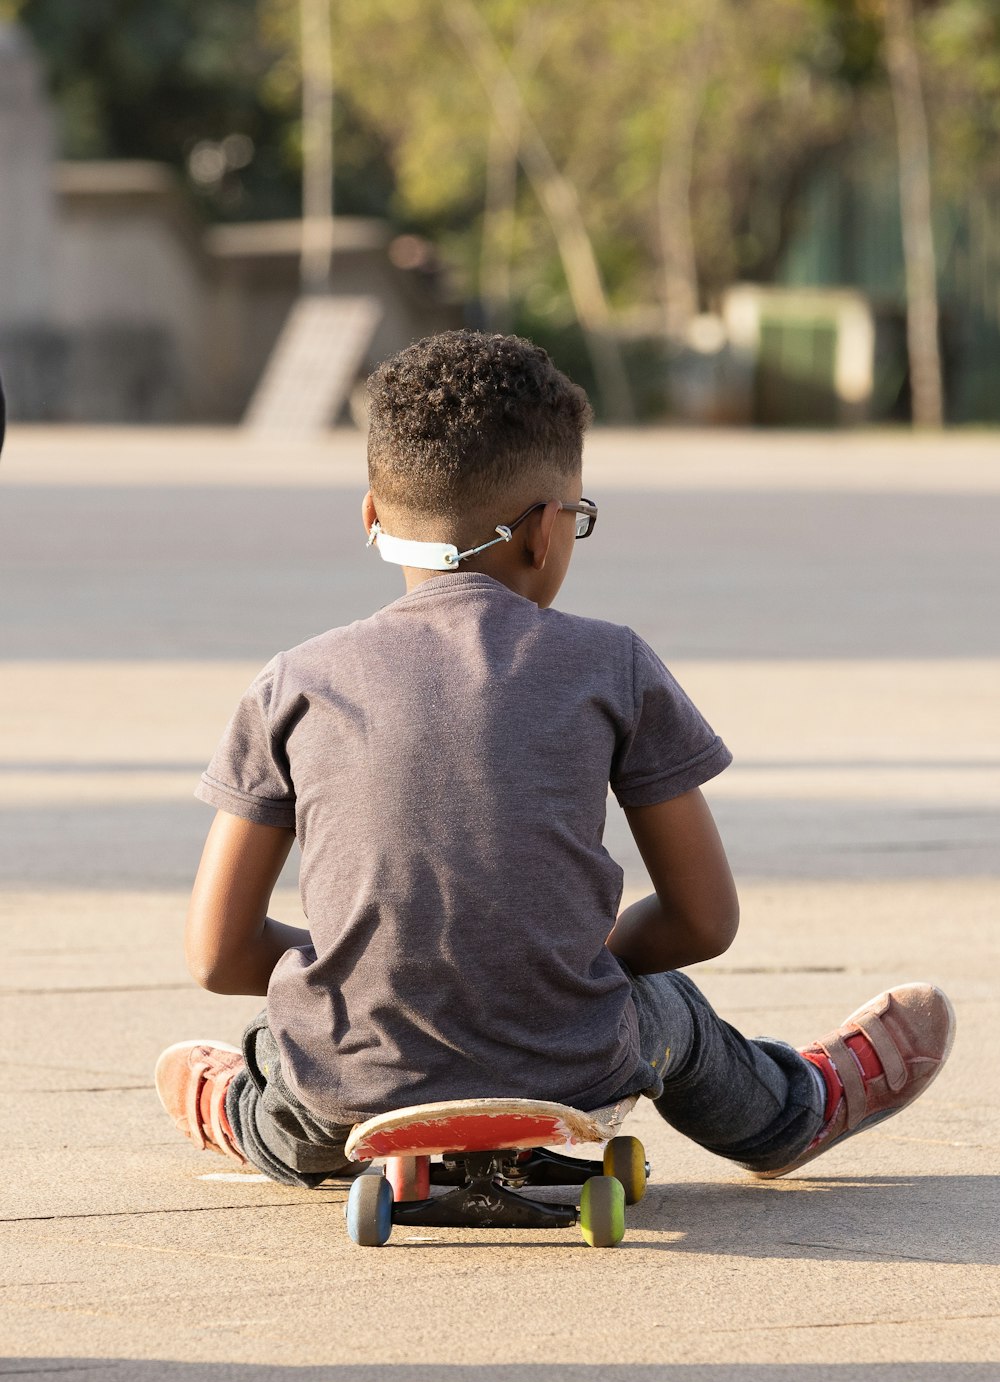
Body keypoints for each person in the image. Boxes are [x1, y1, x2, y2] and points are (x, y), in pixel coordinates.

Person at [155, 330, 954, 1187]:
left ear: (372, 521)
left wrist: (384, 960)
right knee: (672, 1013)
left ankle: (244, 1113)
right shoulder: (612, 663)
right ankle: (795, 1110)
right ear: (544, 531)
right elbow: (703, 920)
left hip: (352, 1083)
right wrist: (553, 954)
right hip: (574, 1063)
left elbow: (218, 955)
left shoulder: (293, 681)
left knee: (286, 1055)